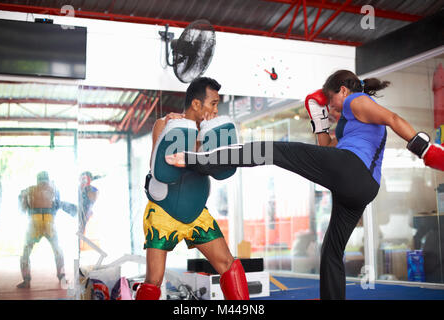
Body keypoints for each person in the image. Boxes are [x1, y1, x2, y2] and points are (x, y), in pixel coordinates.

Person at [165, 70, 444, 300]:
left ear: (343, 91)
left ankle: (197, 160)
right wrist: (320, 124)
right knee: (332, 252)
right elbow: (326, 150)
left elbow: (393, 119)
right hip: (361, 187)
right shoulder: (351, 121)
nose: (333, 109)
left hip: (351, 170)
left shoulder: (355, 101)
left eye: (332, 103)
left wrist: (425, 150)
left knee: (272, 150)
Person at [136, 77, 249, 300]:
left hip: (196, 212)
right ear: (197, 104)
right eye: (213, 103)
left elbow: (218, 168)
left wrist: (209, 133)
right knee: (154, 280)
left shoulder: (212, 132)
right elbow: (158, 166)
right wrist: (187, 133)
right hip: (163, 213)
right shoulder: (165, 124)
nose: (216, 110)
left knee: (228, 264)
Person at [17, 171, 66, 289]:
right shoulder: (54, 189)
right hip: (49, 220)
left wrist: (25, 201)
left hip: (35, 219)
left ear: (37, 180)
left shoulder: (29, 190)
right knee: (57, 249)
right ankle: (62, 276)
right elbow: (57, 205)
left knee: (26, 250)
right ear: (47, 179)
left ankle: (26, 279)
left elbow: (22, 209)